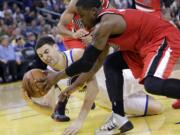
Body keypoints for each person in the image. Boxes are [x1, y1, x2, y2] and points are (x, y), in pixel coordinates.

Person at [35, 0, 180, 134]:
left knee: (152, 84)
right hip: (139, 46)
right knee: (111, 63)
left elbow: (86, 61)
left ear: (93, 12)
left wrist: (57, 76)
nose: (81, 23)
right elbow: (94, 65)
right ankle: (119, 118)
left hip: (160, 38)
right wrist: (72, 88)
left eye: (82, 17)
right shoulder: (102, 27)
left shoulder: (104, 25)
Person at [31, 36, 163, 135]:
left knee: (159, 77)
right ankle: (120, 110)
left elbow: (93, 88)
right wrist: (29, 100)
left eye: (46, 51)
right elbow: (48, 107)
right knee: (158, 109)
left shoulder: (76, 55)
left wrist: (80, 120)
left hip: (121, 81)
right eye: (41, 55)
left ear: (55, 46)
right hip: (111, 101)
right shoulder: (48, 75)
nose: (45, 57)